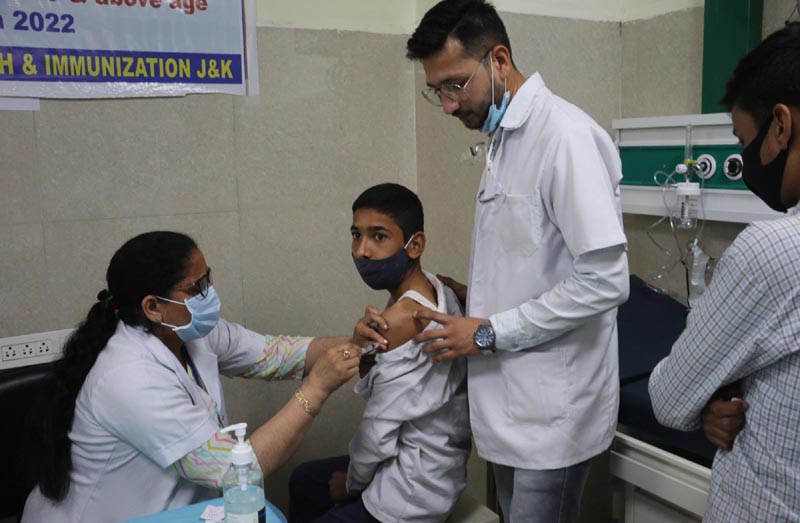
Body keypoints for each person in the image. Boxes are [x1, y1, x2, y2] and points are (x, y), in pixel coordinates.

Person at [373, 2, 630, 522]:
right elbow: (535, 257)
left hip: (551, 415)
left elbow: (605, 280)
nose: (447, 105)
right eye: (438, 90)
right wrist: (474, 297)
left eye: (455, 85)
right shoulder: (504, 141)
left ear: (499, 59)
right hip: (511, 406)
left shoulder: (564, 138)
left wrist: (486, 330)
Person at [22, 231, 361, 523]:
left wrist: (364, 343)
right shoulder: (128, 376)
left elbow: (277, 355)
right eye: (195, 287)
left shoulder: (189, 332)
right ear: (153, 307)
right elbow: (231, 471)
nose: (209, 294)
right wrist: (316, 389)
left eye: (208, 279)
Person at [648, 23, 800, 522]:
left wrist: (709, 391)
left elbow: (670, 400)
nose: (742, 157)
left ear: (781, 126)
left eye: (742, 139)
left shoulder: (773, 252)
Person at [288, 183, 471, 523]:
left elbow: (378, 429)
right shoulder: (435, 286)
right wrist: (364, 352)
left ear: (414, 245)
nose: (361, 251)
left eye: (378, 237)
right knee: (304, 479)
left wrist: (352, 484)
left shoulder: (401, 320)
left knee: (318, 487)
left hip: (410, 488)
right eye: (356, 235)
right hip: (435, 461)